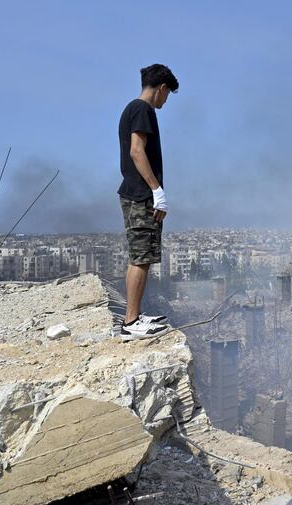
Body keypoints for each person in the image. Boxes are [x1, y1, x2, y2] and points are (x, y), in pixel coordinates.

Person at [117, 64, 178, 340]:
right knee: (141, 258)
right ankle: (131, 322)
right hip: (141, 194)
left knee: (140, 257)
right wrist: (157, 190)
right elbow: (136, 151)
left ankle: (135, 316)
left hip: (137, 193)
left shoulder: (132, 109)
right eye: (168, 94)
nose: (166, 100)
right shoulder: (143, 109)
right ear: (162, 88)